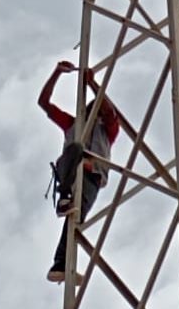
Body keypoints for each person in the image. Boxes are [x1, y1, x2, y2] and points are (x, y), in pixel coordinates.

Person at [39, 60, 120, 283]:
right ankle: (64, 197)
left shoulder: (107, 130)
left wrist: (92, 84)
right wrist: (56, 73)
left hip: (92, 177)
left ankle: (60, 264)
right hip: (70, 171)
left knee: (75, 219)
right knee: (75, 148)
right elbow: (44, 103)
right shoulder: (72, 124)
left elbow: (110, 110)